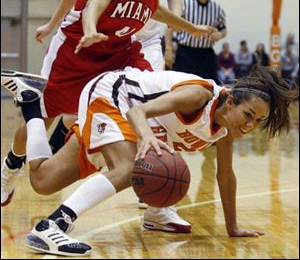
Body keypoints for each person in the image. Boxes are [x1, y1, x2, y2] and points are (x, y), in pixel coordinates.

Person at [1, 0, 216, 239]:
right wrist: (90, 30)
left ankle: (157, 207)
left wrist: (191, 28)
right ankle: (9, 167)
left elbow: (153, 10)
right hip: (79, 50)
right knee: (45, 119)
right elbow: (94, 3)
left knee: (154, 105)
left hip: (120, 53)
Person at [1, 64, 298, 256]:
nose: (249, 126)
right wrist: (145, 136)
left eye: (258, 121)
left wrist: (232, 227)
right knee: (130, 167)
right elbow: (137, 114)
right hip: (112, 94)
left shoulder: (225, 128)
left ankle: (31, 104)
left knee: (42, 181)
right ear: (231, 100)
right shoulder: (198, 95)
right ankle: (52, 226)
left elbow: (225, 176)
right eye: (248, 115)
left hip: (122, 115)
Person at [172, 0, 227, 82]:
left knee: (209, 85)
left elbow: (224, 29)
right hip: (185, 52)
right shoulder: (185, 4)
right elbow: (170, 26)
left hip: (206, 53)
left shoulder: (216, 8)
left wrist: (220, 35)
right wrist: (168, 49)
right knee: (182, 84)